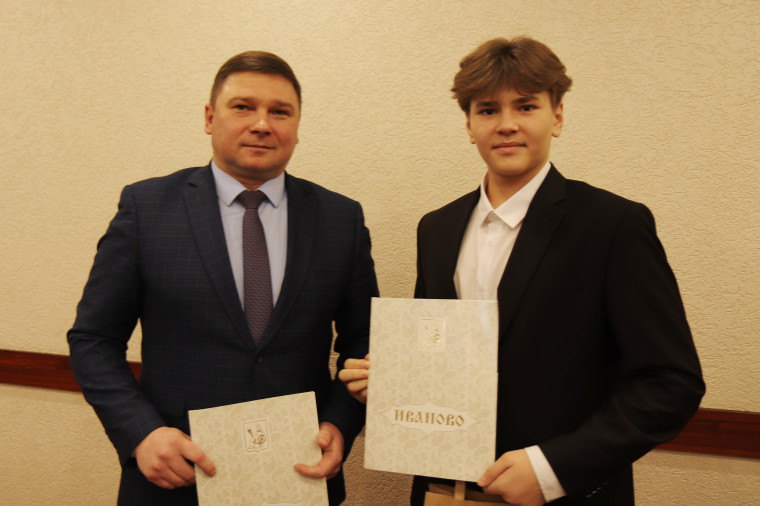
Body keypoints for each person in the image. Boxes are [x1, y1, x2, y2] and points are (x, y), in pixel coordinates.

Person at [340, 37, 704, 505]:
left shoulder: (613, 224)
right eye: (488, 110)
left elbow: (671, 383)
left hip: (564, 495)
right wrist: (392, 383)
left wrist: (554, 468)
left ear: (557, 116)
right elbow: (441, 357)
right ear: (469, 125)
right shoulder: (436, 228)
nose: (507, 124)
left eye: (526, 106)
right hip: (439, 489)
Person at [68, 50, 378, 505]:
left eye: (280, 112)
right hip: (177, 477)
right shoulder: (147, 208)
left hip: (300, 476)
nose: (262, 124)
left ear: (297, 126)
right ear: (210, 118)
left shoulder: (340, 218)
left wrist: (340, 423)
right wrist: (141, 433)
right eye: (243, 107)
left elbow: (364, 343)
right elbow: (93, 339)